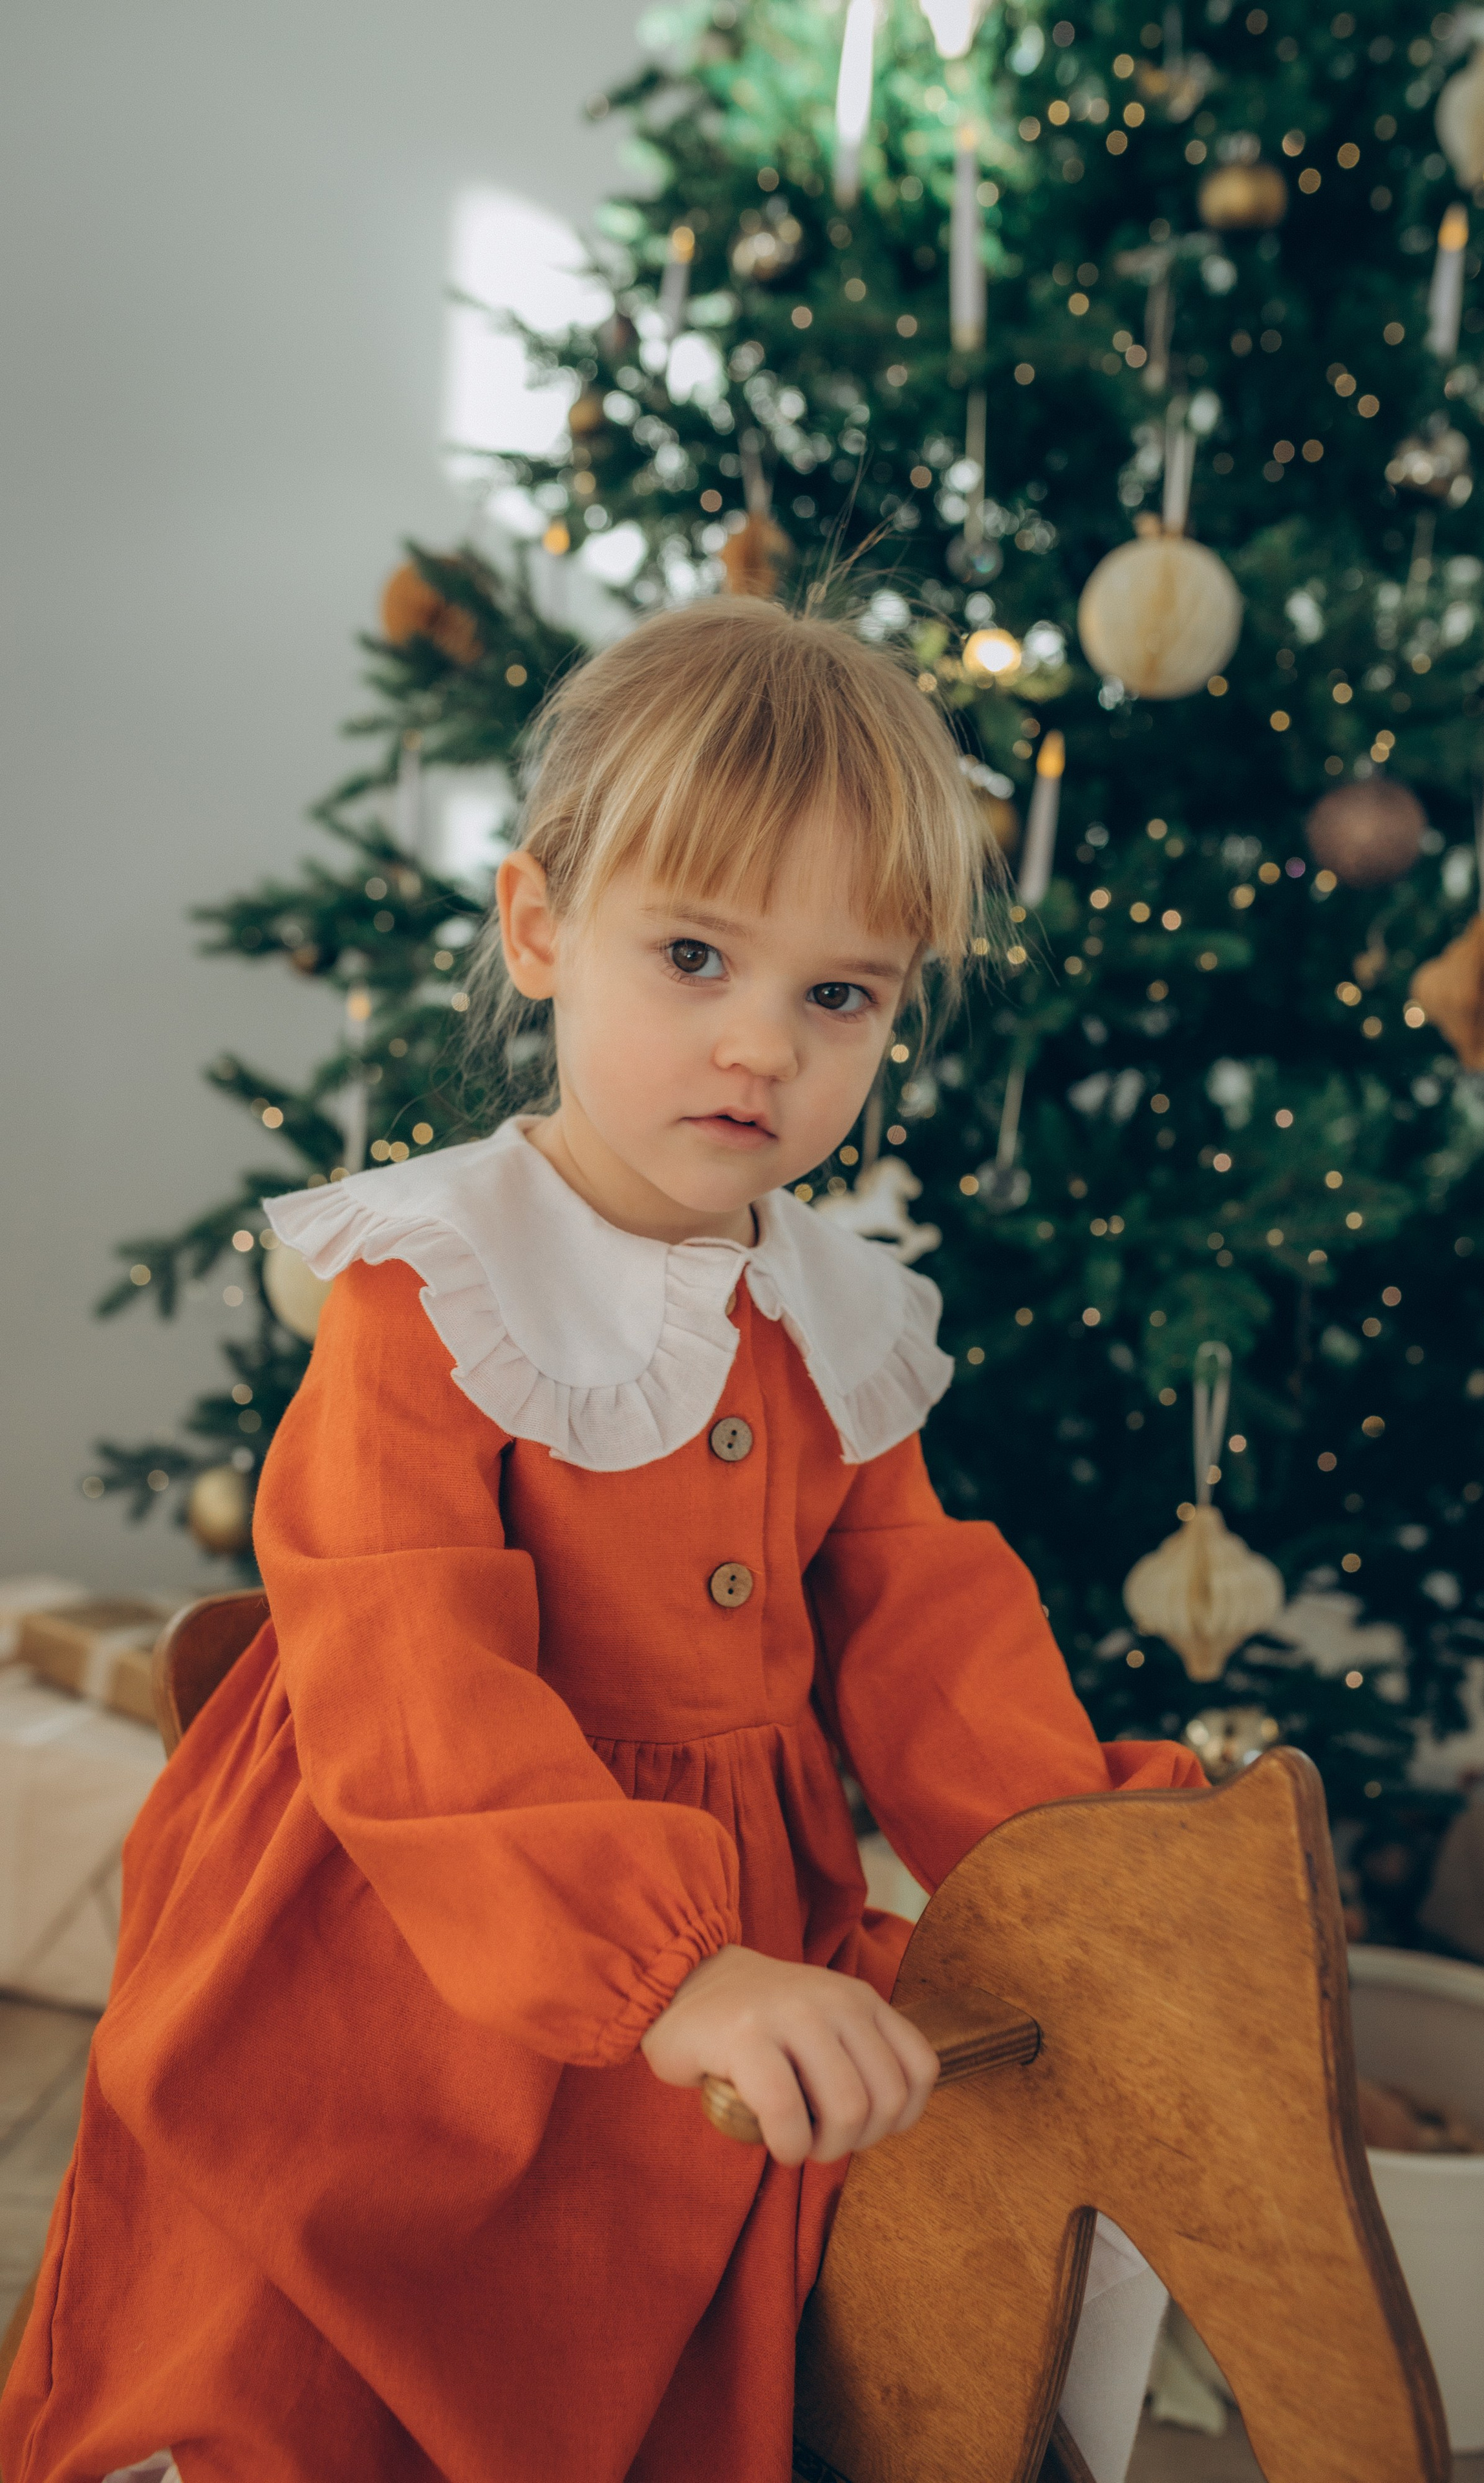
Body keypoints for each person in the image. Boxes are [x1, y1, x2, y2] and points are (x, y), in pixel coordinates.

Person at [1, 597, 1203, 2483]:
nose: (760, 1048)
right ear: (544, 925)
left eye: (840, 996)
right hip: (417, 1920)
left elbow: (922, 1627)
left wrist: (1104, 1871)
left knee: (726, 2317)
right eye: (697, 955)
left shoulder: (826, 1306)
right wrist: (668, 1970)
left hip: (737, 1892)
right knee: (329, 2363)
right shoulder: (439, 1289)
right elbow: (405, 1674)